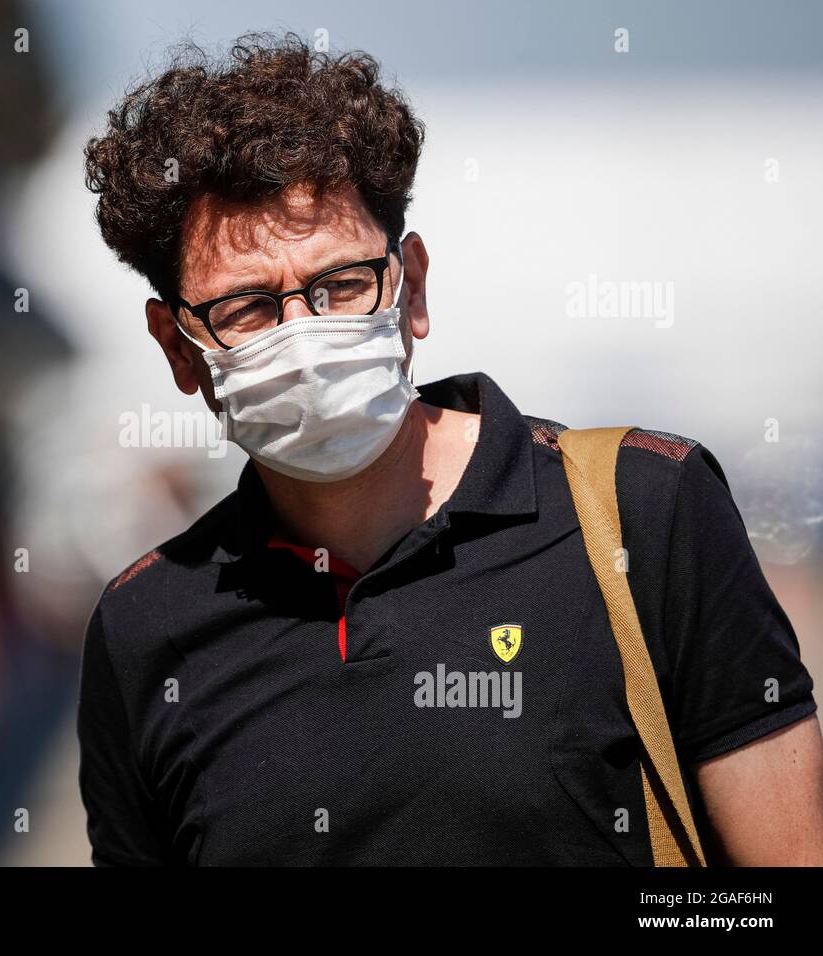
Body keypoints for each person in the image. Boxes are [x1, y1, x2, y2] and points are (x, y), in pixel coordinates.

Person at [75, 32, 823, 865]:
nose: (306, 332)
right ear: (179, 349)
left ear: (411, 287)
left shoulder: (643, 513)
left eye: (341, 285)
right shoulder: (146, 627)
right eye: (247, 307)